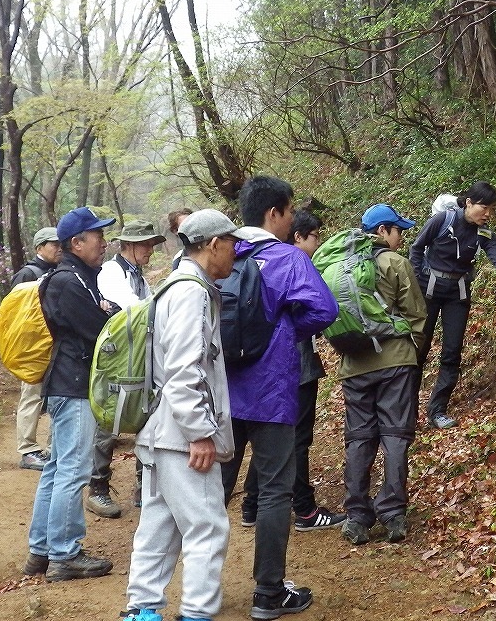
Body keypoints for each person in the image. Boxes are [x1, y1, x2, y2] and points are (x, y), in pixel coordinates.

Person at [217, 176, 338, 619]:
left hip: (224, 394)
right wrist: (286, 332)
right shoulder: (286, 258)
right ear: (274, 214)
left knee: (214, 493)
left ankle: (201, 588)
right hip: (272, 393)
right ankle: (268, 594)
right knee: (272, 493)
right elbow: (325, 310)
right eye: (288, 213)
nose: (290, 222)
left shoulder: (220, 254)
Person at [120, 210, 247, 621]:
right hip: (180, 435)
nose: (236, 252)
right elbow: (183, 370)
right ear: (213, 244)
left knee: (159, 524)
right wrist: (199, 433)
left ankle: (143, 610)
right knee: (207, 527)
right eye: (233, 244)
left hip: (158, 430)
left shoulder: (172, 286)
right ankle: (196, 613)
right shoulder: (192, 291)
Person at [21, 207, 118, 582]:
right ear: (77, 243)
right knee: (72, 471)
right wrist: (111, 315)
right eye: (98, 237)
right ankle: (64, 555)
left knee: (57, 468)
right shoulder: (67, 281)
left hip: (66, 383)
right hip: (74, 385)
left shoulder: (76, 278)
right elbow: (100, 331)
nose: (104, 243)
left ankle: (41, 552)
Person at [240, 210, 345, 532]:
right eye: (314, 236)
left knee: (265, 434)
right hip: (293, 365)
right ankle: (305, 510)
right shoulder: (291, 263)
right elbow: (325, 310)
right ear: (296, 235)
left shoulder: (243, 259)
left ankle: (251, 505)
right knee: (294, 439)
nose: (318, 242)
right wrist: (288, 333)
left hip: (251, 368)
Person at [409, 181, 496, 430]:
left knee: (452, 352)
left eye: (493, 209)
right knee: (418, 351)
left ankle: (437, 410)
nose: (488, 214)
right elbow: (416, 249)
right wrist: (416, 281)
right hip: (427, 291)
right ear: (468, 202)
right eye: (485, 207)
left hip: (457, 294)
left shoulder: (484, 232)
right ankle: (407, 411)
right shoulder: (442, 220)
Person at [335, 204, 427, 546]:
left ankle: (357, 517)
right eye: (398, 230)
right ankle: (392, 514)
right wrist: (409, 354)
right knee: (395, 435)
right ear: (383, 231)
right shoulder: (395, 263)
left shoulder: (340, 266)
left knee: (359, 438)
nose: (400, 237)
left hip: (354, 365)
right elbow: (416, 315)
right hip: (395, 364)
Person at [89, 219, 166, 519]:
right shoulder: (111, 271)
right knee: (111, 415)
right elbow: (134, 307)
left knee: (144, 411)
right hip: (115, 356)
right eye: (146, 244)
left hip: (137, 353)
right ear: (130, 246)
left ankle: (142, 486)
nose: (150, 250)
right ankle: (98, 488)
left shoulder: (138, 276)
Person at [10, 227, 60, 471]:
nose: (59, 248)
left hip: (54, 344)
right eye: (53, 244)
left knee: (54, 396)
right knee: (31, 395)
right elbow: (18, 317)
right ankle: (28, 450)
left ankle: (52, 447)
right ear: (39, 248)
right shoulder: (28, 274)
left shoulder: (57, 271)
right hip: (34, 347)